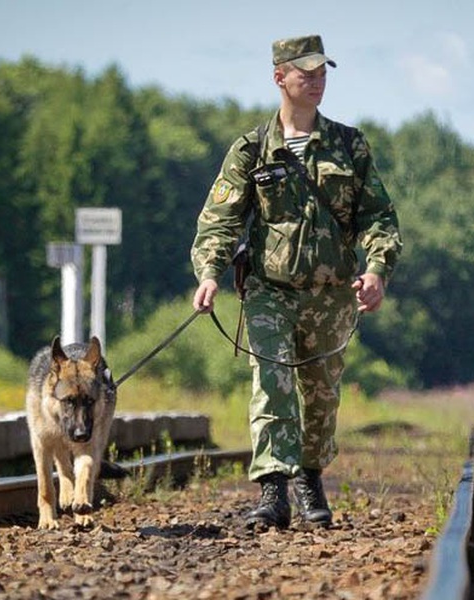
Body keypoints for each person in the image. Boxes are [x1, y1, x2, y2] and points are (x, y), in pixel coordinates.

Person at [190, 34, 402, 530]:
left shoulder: (350, 146)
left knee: (321, 393)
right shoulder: (251, 149)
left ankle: (309, 475)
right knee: (272, 382)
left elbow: (379, 217)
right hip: (270, 290)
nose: (316, 81)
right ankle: (272, 489)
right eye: (305, 72)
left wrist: (376, 269)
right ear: (279, 77)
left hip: (332, 295)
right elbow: (219, 219)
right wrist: (209, 274)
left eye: (322, 71)